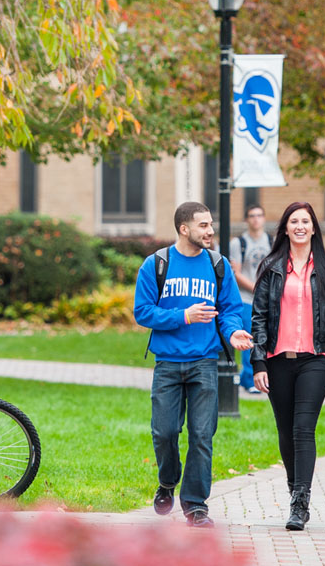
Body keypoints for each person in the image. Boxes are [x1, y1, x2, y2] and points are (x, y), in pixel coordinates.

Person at [133, 201, 253, 528]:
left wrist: (232, 332)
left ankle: (195, 505)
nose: (210, 230)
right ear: (184, 229)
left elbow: (228, 309)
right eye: (203, 225)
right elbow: (142, 312)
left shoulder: (218, 265)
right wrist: (182, 316)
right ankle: (168, 482)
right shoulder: (156, 264)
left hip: (204, 362)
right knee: (165, 431)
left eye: (210, 224)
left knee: (202, 434)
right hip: (168, 363)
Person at [249, 201, 325, 531]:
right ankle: (295, 492)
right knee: (286, 431)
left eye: (306, 221)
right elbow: (259, 316)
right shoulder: (271, 265)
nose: (300, 226)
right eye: (294, 221)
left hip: (316, 360)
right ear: (286, 228)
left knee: (304, 428)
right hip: (278, 361)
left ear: (314, 228)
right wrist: (258, 360)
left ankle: (300, 501)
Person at [229, 203, 272, 393]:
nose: (256, 219)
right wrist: (257, 288)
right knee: (248, 338)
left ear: (264, 218)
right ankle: (249, 379)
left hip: (267, 300)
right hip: (246, 298)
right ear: (247, 220)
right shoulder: (238, 243)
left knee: (266, 339)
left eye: (259, 215)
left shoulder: (271, 241)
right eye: (252, 216)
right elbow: (235, 272)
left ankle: (265, 377)